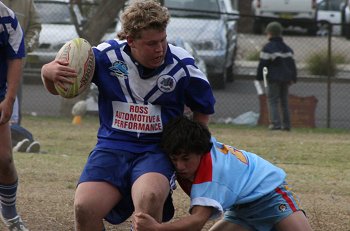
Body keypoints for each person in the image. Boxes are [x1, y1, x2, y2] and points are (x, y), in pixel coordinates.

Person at [40, 0, 215, 230]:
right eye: (151, 43)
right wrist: (47, 73)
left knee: (150, 197)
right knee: (84, 207)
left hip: (156, 150)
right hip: (112, 147)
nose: (160, 49)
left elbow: (204, 110)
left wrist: (191, 149)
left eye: (163, 40)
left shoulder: (182, 65)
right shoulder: (103, 56)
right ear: (130, 40)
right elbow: (63, 89)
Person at [133, 116, 313, 231]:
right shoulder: (200, 140)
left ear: (201, 151)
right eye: (175, 159)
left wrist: (157, 228)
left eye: (186, 159)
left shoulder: (210, 177)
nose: (180, 166)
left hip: (272, 197)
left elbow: (197, 222)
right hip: (241, 210)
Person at [0, 2, 29, 231]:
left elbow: (15, 56)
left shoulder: (6, 16)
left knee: (5, 160)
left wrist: (9, 99)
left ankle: (9, 214)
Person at [3, 0, 42, 152]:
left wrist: (22, 49)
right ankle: (22, 143)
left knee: (12, 116)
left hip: (14, 67)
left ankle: (20, 143)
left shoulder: (26, 3)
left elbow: (35, 26)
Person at [256, 21, 297, 131]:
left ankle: (275, 124)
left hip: (274, 78)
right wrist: (293, 77)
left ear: (269, 33)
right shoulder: (287, 48)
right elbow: (292, 64)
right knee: (284, 101)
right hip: (286, 78)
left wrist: (259, 76)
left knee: (273, 100)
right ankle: (287, 125)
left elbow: (263, 64)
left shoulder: (268, 48)